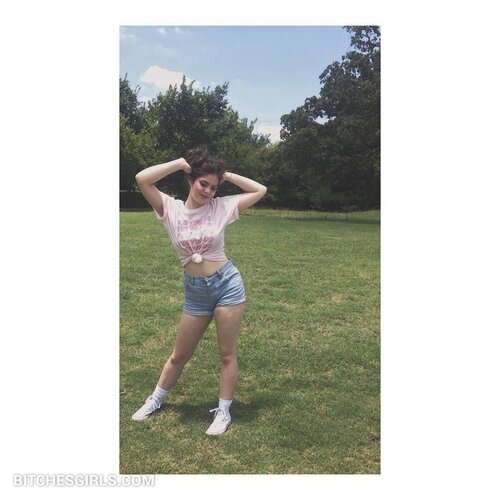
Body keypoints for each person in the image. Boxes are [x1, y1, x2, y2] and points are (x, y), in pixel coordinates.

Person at [130, 147, 267, 435]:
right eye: (203, 183)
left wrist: (227, 176)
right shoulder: (170, 209)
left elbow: (260, 190)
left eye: (213, 187)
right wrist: (180, 163)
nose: (208, 191)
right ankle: (155, 399)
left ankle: (223, 411)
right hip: (195, 292)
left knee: (227, 353)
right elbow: (142, 179)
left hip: (227, 285)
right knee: (179, 355)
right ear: (191, 180)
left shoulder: (221, 207)